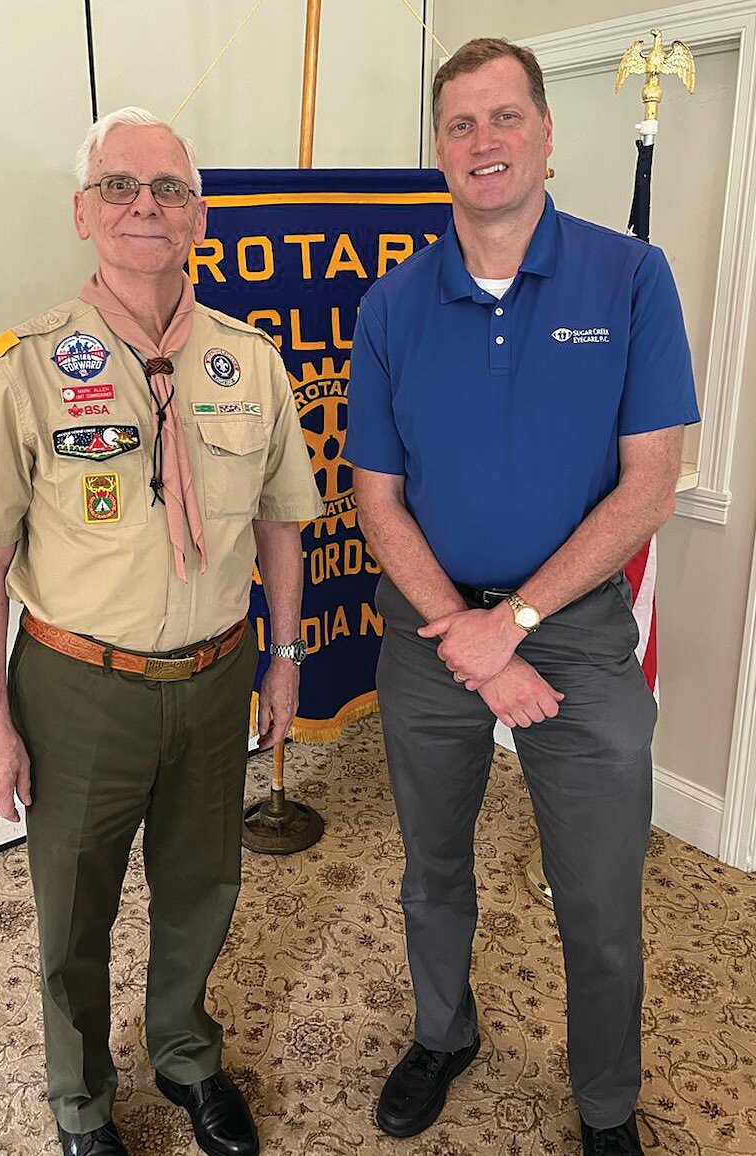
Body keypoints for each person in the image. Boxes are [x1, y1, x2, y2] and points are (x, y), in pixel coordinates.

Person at [0, 107, 323, 1156]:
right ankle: (83, 1104)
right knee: (75, 912)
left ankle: (185, 1055)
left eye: (169, 189)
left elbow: (281, 520)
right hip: (76, 686)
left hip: (214, 671)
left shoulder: (250, 361)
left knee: (203, 885)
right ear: (83, 211)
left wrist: (282, 657)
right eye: (120, 186)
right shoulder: (23, 365)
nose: (146, 206)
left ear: (198, 213)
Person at [346, 39, 699, 1156]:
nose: (482, 143)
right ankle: (442, 1034)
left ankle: (605, 1105)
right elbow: (376, 497)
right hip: (431, 639)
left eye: (504, 119)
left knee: (598, 899)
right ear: (437, 152)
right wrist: (472, 637)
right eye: (459, 125)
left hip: (580, 636)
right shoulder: (392, 304)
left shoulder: (628, 278)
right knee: (432, 868)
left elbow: (649, 485)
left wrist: (519, 626)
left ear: (546, 137)